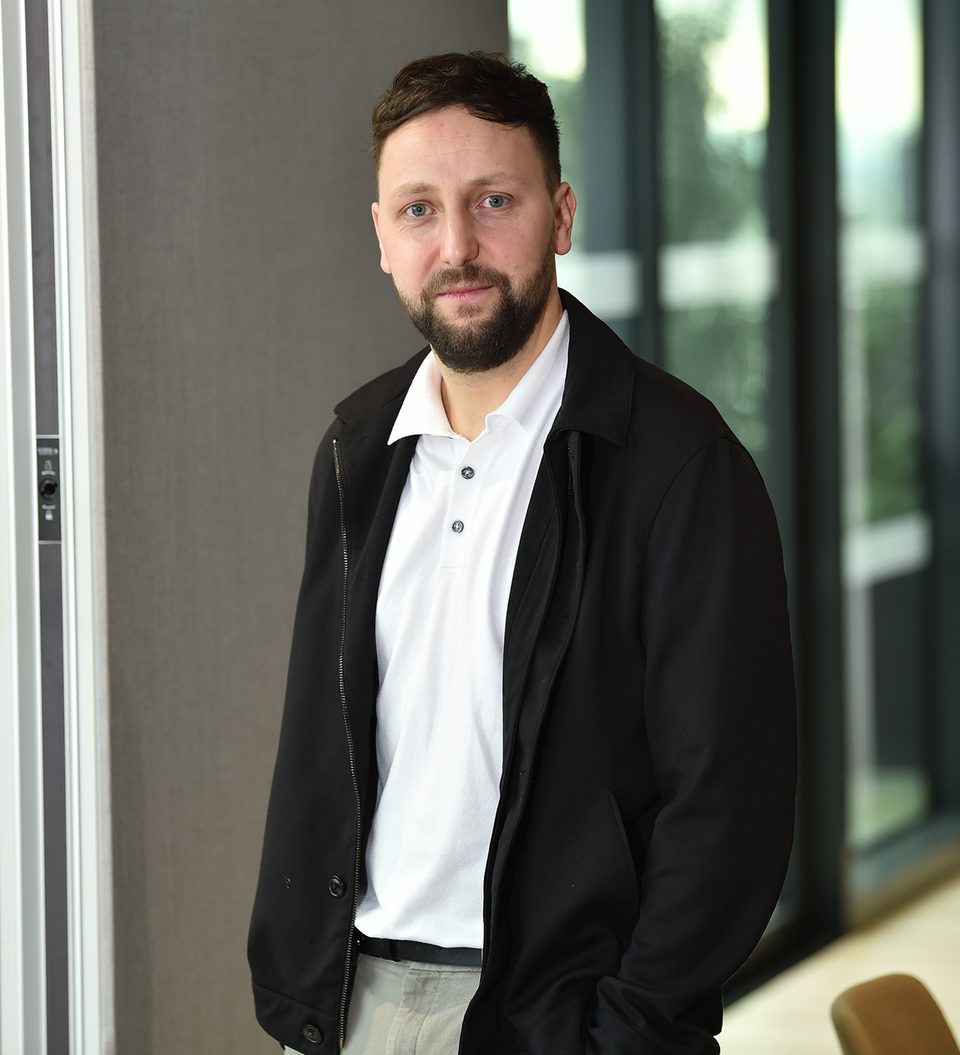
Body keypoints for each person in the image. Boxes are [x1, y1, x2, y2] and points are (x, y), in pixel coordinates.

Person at [248, 51, 796, 1055]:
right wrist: (297, 995)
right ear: (381, 235)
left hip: (559, 1016)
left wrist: (628, 1029)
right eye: (419, 209)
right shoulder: (355, 449)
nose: (457, 244)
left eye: (493, 199)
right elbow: (319, 745)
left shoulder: (678, 464)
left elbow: (730, 802)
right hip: (349, 1000)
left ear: (561, 214)